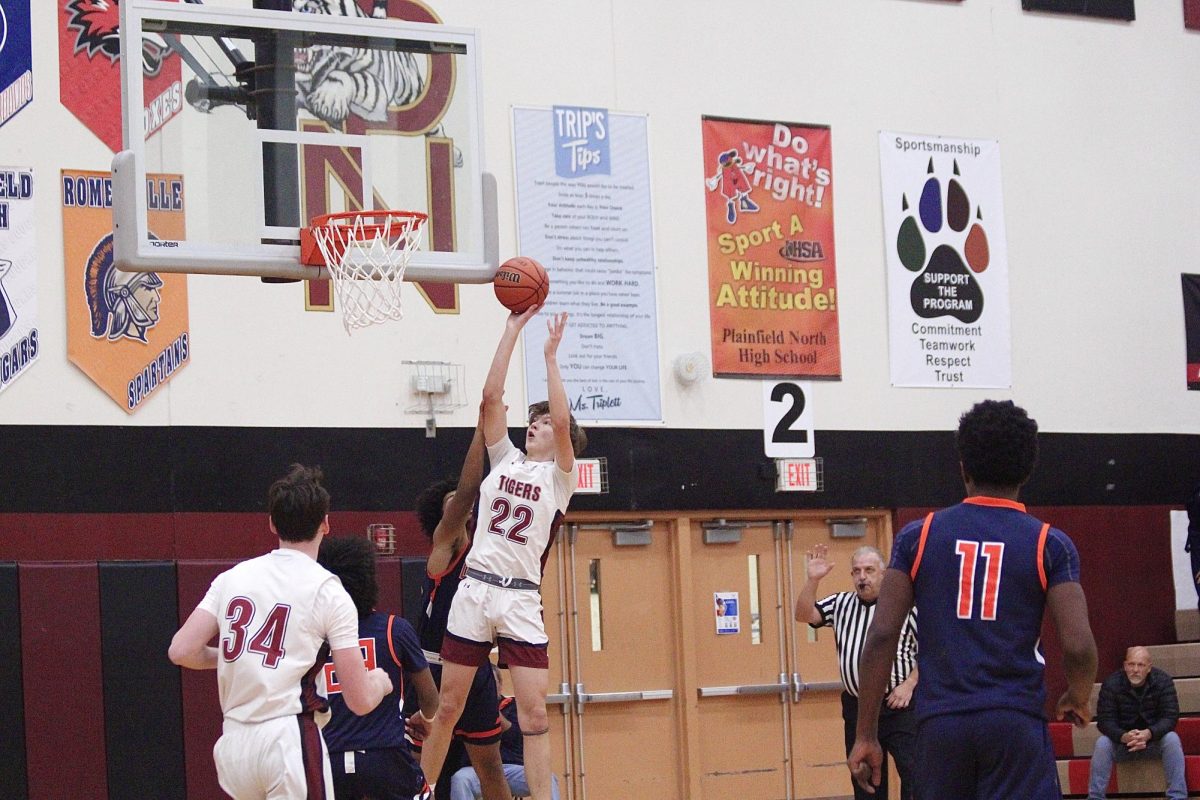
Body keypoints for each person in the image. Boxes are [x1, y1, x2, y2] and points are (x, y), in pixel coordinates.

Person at [848, 400, 1099, 800]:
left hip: (940, 726)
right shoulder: (1049, 544)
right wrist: (1078, 695)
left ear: (963, 466)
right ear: (1028, 469)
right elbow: (1079, 645)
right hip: (1014, 725)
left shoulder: (919, 536)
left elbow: (881, 636)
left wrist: (866, 734)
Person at [420, 308, 586, 800]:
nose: (534, 425)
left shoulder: (560, 479)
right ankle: (422, 791)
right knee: (446, 708)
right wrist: (512, 330)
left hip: (519, 599)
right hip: (475, 590)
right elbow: (490, 399)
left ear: (560, 438)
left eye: (542, 423)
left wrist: (551, 360)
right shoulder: (505, 459)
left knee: (535, 716)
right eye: (530, 421)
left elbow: (561, 417)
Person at [168, 464, 393, 799]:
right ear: (325, 524)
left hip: (234, 746)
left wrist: (242, 657)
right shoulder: (328, 590)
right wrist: (380, 682)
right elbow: (359, 701)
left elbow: (181, 650)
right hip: (286, 740)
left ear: (272, 522)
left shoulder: (233, 577)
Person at [408, 415, 514, 800]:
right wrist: (482, 433)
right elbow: (469, 490)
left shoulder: (488, 551)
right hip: (434, 669)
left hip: (475, 667)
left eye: (462, 503)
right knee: (421, 774)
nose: (462, 505)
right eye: (451, 504)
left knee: (491, 771)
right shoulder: (445, 547)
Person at [316, 534, 441, 800]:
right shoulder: (395, 629)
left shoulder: (313, 638)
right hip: (384, 754)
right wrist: (426, 719)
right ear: (368, 580)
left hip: (329, 757)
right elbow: (430, 697)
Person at [795, 544, 918, 800]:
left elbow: (931, 650)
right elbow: (804, 614)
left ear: (884, 574)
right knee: (864, 778)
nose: (862, 577)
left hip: (899, 706)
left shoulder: (906, 606)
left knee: (915, 776)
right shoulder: (841, 603)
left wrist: (909, 684)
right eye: (857, 571)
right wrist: (812, 580)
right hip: (858, 707)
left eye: (869, 570)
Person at [1087, 646, 1186, 800]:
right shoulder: (1111, 684)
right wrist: (1124, 736)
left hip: (1153, 741)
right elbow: (1105, 721)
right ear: (1125, 666)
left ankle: (1178, 796)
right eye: (1131, 664)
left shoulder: (1163, 681)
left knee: (1172, 739)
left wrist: (1149, 734)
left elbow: (1170, 717)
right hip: (1122, 743)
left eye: (1140, 665)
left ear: (1149, 668)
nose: (1135, 669)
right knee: (1102, 743)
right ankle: (1095, 797)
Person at [449, 667, 561, 800]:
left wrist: (490, 710)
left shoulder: (514, 706)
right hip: (478, 770)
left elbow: (515, 736)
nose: (487, 689)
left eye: (491, 684)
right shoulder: (467, 710)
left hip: (512, 769)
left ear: (500, 685)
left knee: (548, 778)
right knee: (460, 779)